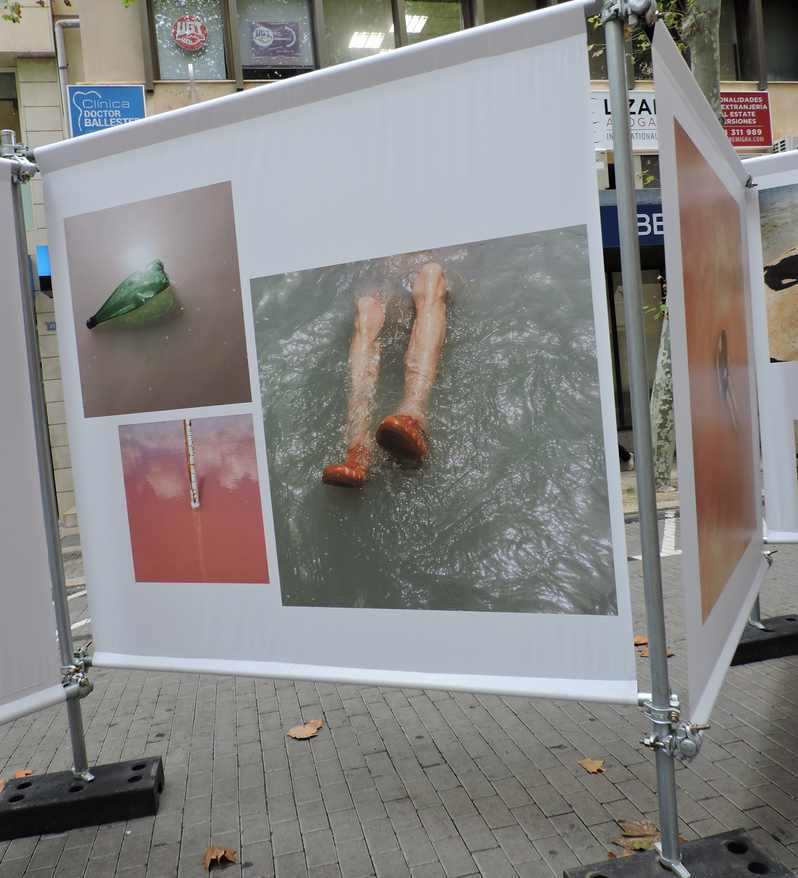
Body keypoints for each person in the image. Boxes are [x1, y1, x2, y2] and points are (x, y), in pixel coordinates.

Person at [323, 262, 448, 487]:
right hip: (403, 288)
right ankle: (360, 444)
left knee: (429, 278)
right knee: (368, 305)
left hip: (403, 287)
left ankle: (409, 416)